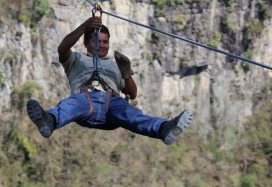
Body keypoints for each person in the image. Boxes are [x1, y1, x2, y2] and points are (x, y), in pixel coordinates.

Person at [26, 15, 193, 145]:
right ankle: (49, 121)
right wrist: (86, 25)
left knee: (132, 114)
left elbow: (132, 94)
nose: (102, 45)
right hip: (85, 101)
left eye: (105, 42)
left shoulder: (115, 65)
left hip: (111, 104)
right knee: (70, 104)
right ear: (86, 43)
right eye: (97, 41)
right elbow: (62, 48)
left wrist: (126, 73)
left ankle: (163, 129)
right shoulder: (76, 59)